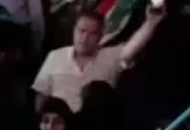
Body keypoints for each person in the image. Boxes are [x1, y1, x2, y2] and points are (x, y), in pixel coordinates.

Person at [32, 7, 163, 113]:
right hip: (60, 129)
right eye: (82, 31)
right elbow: (41, 95)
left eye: (92, 34)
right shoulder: (55, 56)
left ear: (100, 37)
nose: (85, 38)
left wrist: (151, 22)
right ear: (74, 30)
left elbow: (132, 47)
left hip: (97, 128)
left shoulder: (110, 56)